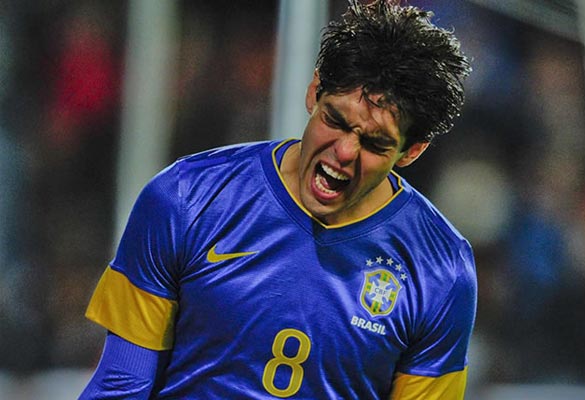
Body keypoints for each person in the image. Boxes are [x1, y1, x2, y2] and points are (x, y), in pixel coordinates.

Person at [79, 1, 476, 398]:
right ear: (314, 92)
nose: (344, 152)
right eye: (335, 121)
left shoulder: (440, 270)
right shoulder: (187, 199)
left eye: (374, 143)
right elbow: (122, 383)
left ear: (411, 151)